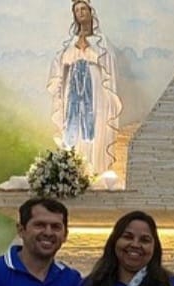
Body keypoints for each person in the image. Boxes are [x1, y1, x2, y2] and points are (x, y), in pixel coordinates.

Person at [48, 0, 122, 177]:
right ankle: (73, 168)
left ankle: (94, 167)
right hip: (73, 90)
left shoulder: (101, 41)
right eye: (77, 10)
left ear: (90, 11)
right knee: (73, 125)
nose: (80, 12)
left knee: (94, 124)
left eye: (83, 9)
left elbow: (108, 63)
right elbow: (59, 63)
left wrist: (90, 53)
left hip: (94, 90)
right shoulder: (70, 42)